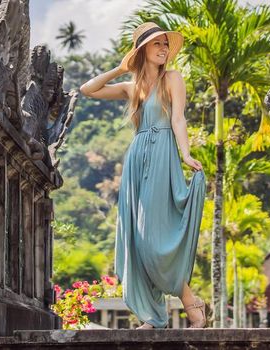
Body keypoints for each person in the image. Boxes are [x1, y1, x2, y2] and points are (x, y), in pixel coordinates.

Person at [79, 22, 208, 329]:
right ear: (142, 51)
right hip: (137, 160)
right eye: (156, 44)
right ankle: (151, 316)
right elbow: (88, 90)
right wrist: (120, 68)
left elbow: (178, 119)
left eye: (166, 44)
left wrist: (185, 153)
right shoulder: (131, 87)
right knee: (137, 241)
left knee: (153, 239)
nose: (163, 49)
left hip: (163, 156)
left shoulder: (173, 79)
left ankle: (190, 301)